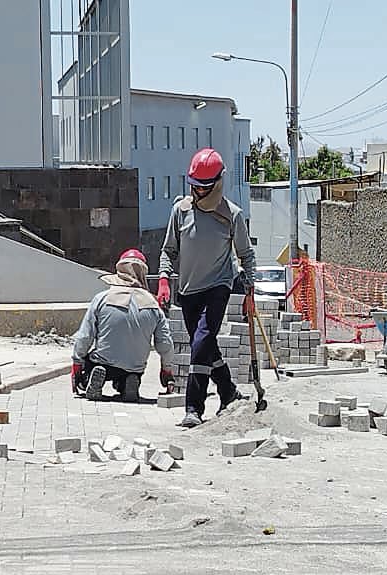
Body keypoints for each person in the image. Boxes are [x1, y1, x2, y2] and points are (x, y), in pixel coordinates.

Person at [157, 148, 257, 428]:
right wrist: (164, 278)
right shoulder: (181, 211)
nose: (199, 191)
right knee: (206, 346)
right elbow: (168, 250)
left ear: (217, 183)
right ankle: (228, 391)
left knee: (200, 343)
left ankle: (193, 407)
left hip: (218, 287)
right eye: (195, 186)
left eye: (205, 186)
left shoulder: (231, 216)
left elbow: (246, 255)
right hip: (188, 291)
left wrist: (249, 289)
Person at [71, 249, 175, 402]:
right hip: (135, 366)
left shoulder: (102, 298)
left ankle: (90, 378)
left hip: (103, 361)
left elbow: (85, 336)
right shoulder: (154, 306)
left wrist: (77, 364)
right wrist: (167, 370)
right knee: (131, 371)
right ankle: (128, 381)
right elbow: (165, 343)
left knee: (90, 363)